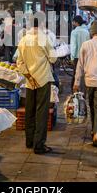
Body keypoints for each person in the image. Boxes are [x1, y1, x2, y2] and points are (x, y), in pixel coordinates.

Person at [16, 18, 57, 154]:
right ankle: (39, 145)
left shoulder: (23, 40)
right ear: (40, 25)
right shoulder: (43, 39)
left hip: (30, 82)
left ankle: (29, 141)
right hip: (43, 80)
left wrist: (29, 76)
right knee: (41, 112)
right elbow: (53, 58)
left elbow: (19, 63)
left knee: (30, 111)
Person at [70, 15, 90, 87]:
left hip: (77, 57)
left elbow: (73, 46)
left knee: (76, 73)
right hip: (85, 56)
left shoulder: (74, 32)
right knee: (84, 73)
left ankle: (74, 89)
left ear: (76, 22)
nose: (72, 23)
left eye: (73, 22)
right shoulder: (86, 32)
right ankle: (83, 89)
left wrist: (72, 58)